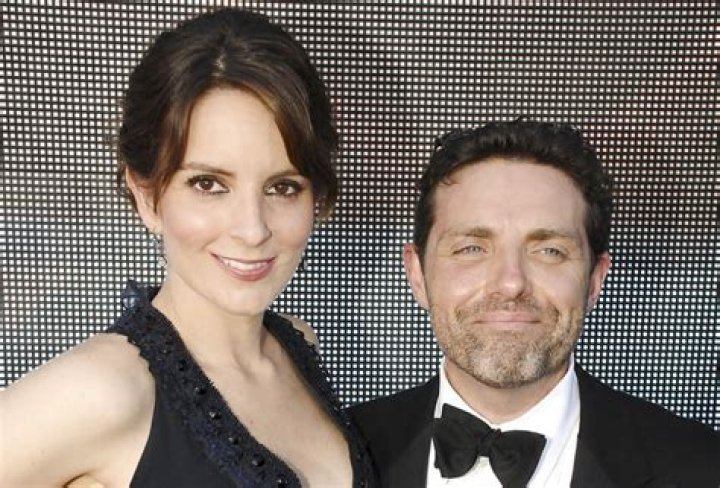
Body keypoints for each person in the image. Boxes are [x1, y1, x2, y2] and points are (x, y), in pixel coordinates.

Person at [0, 8, 375, 488]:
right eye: (208, 184)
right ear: (147, 196)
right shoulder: (104, 391)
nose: (252, 229)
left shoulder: (297, 344)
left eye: (283, 187)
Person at [348, 120, 720, 488]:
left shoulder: (704, 467)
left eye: (549, 251)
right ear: (417, 274)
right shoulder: (343, 452)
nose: (511, 284)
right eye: (471, 248)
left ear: (595, 279)